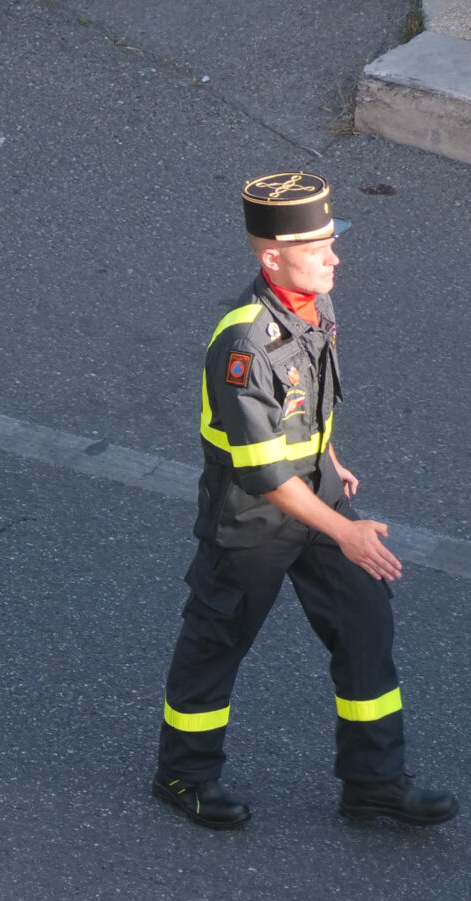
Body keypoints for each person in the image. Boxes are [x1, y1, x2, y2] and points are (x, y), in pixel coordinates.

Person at [151, 171, 458, 829]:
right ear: (272, 256)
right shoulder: (246, 344)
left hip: (313, 492)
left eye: (332, 241)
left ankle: (373, 781)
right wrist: (344, 532)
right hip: (253, 518)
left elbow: (309, 407)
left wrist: (333, 458)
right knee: (217, 640)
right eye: (319, 247)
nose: (335, 257)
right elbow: (263, 471)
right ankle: (183, 775)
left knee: (365, 620)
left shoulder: (314, 305)